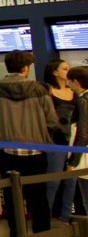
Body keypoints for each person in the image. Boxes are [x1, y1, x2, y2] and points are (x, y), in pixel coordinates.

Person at [0, 51, 59, 237]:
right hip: (36, 151)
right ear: (26, 68)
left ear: (6, 67)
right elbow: (52, 120)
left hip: (8, 152)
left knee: (13, 197)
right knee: (39, 200)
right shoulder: (39, 89)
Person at [43, 59, 76, 223]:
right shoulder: (48, 90)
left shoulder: (74, 91)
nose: (67, 71)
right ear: (55, 72)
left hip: (73, 142)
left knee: (71, 180)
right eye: (64, 68)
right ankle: (45, 215)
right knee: (53, 181)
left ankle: (66, 214)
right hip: (55, 141)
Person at [66, 66, 88, 216]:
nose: (67, 84)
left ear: (76, 82)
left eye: (69, 81)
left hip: (84, 158)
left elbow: (82, 133)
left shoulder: (82, 101)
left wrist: (73, 161)